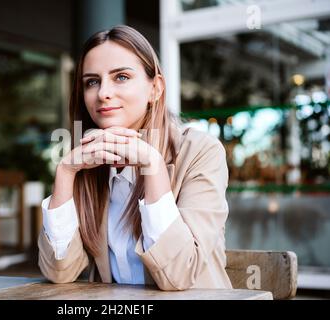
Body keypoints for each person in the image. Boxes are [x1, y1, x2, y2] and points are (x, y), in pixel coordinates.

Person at [38, 25, 232, 290]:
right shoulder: (86, 162)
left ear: (155, 89)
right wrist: (65, 173)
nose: (103, 92)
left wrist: (152, 165)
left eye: (121, 77)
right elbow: (60, 272)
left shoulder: (200, 151)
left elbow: (178, 275)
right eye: (92, 81)